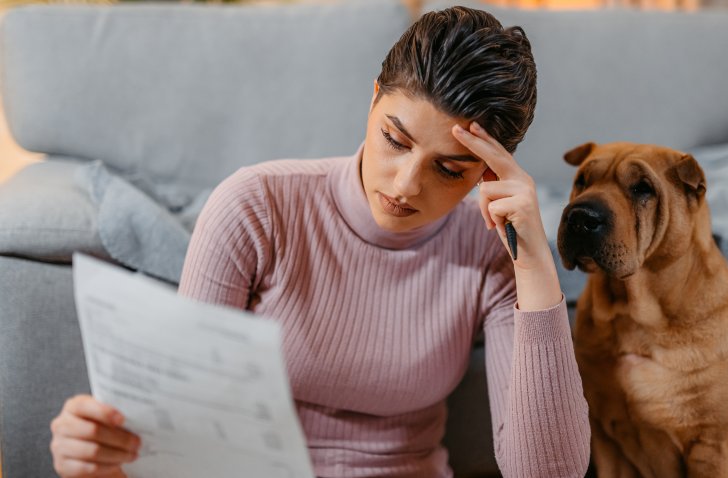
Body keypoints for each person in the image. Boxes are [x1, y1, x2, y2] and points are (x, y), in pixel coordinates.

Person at [49, 6, 591, 477]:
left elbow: (548, 473)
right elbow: (183, 429)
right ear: (374, 99)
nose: (405, 186)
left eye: (449, 170)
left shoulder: (489, 250)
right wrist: (101, 459)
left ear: (487, 175)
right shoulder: (256, 206)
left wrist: (536, 263)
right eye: (394, 140)